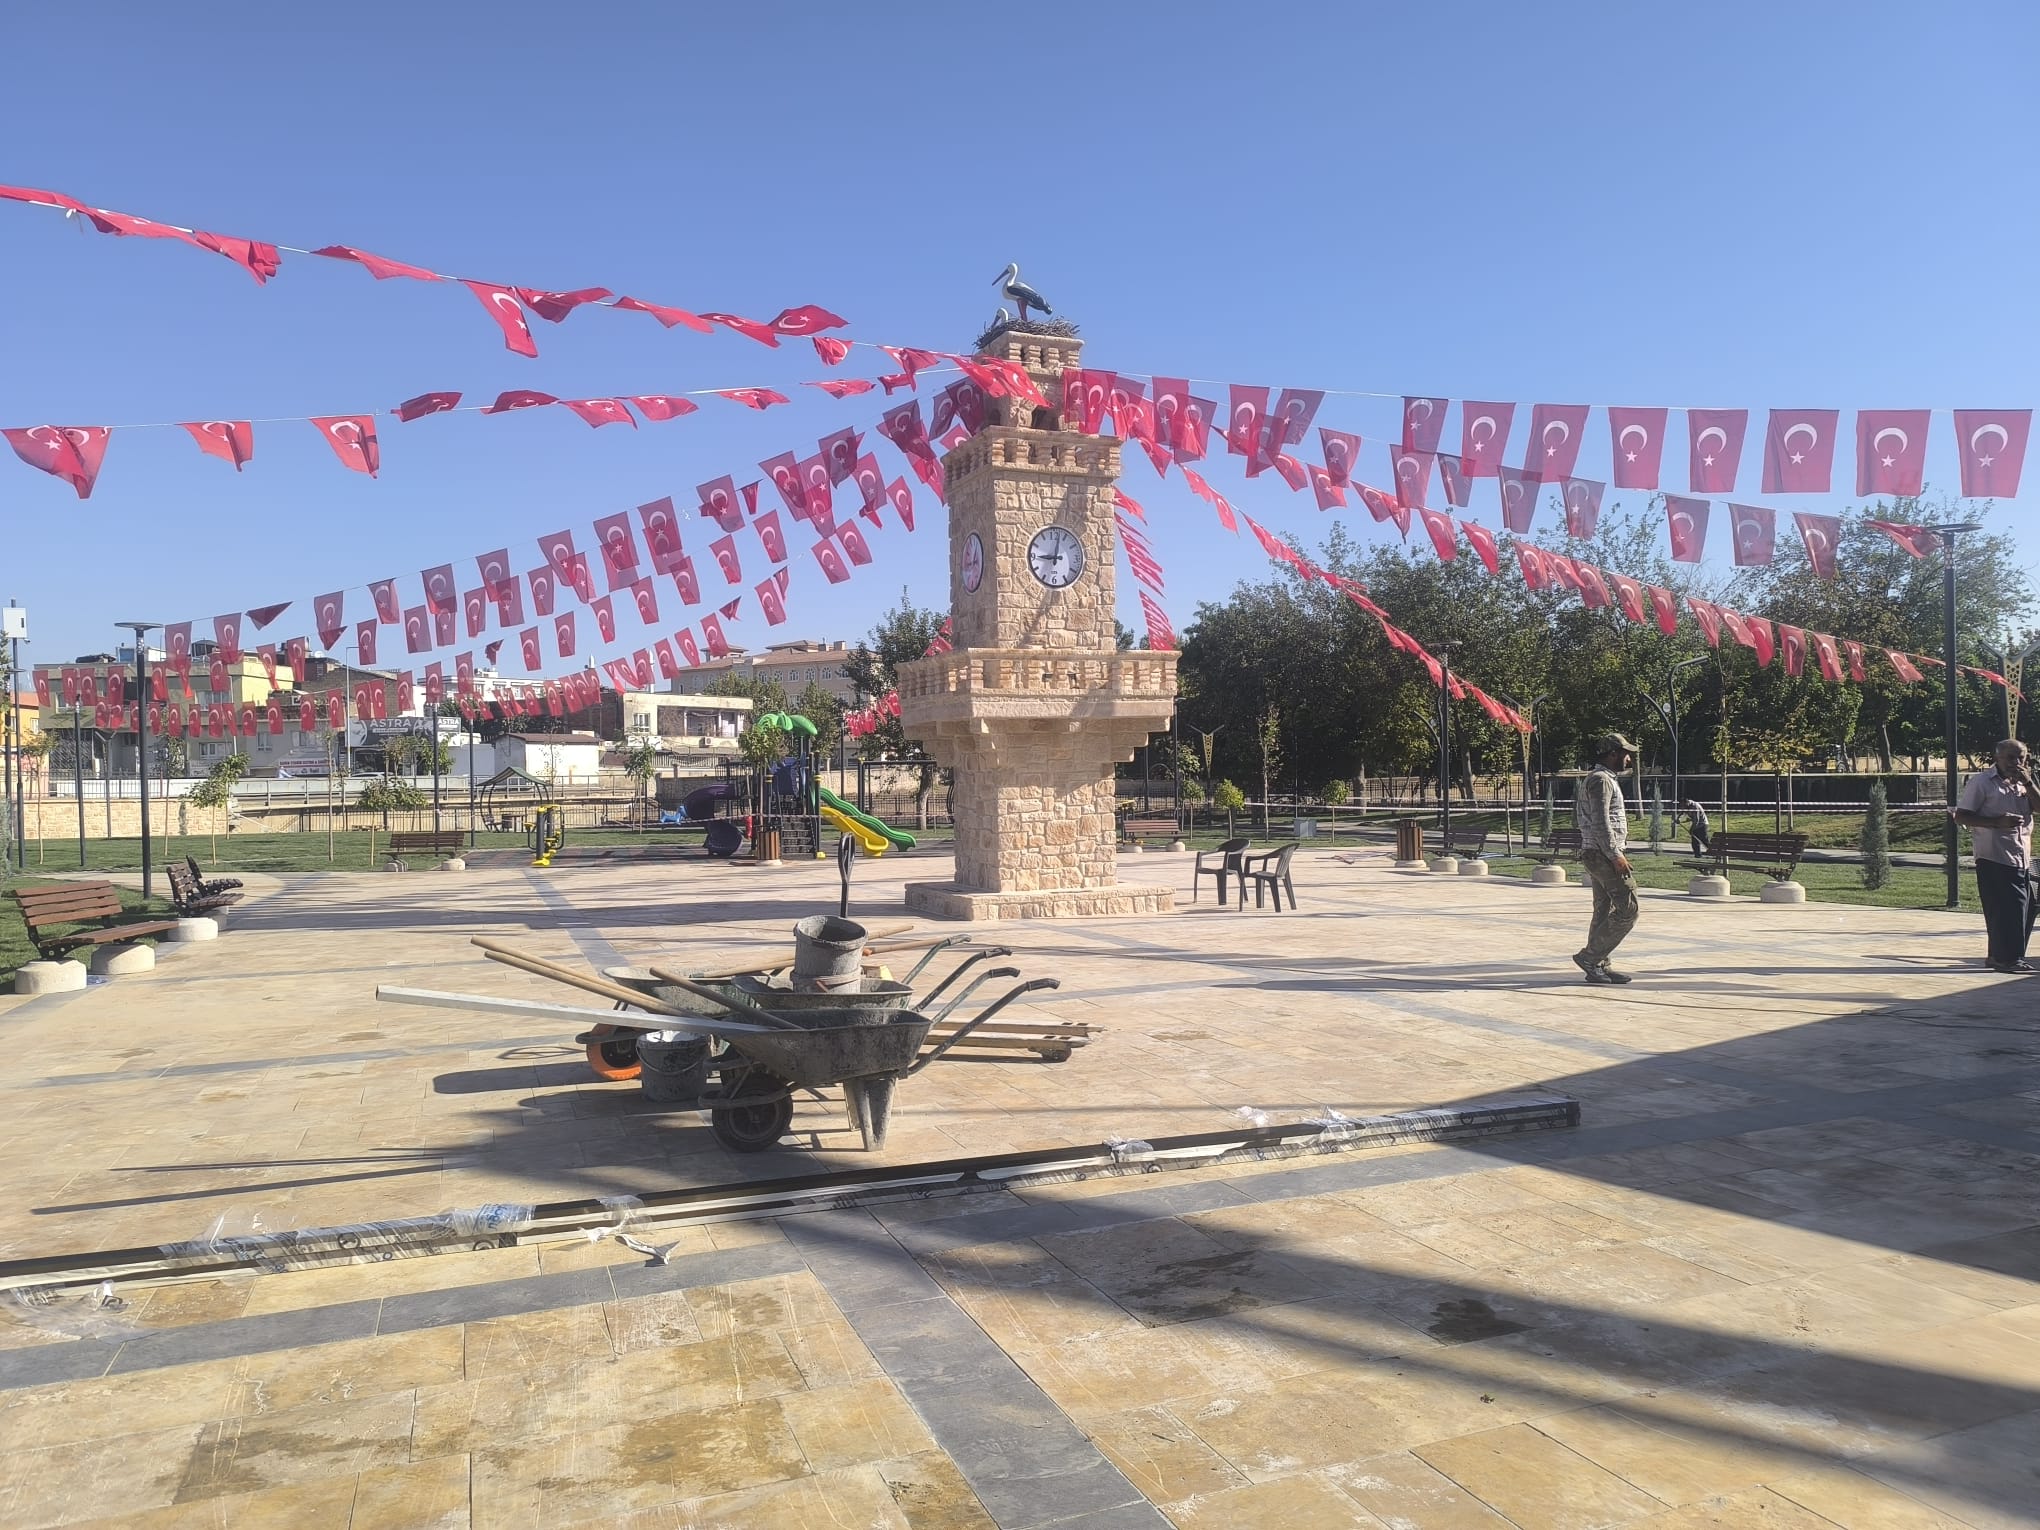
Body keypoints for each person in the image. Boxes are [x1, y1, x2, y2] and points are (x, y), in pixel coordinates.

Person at [1953, 738, 2040, 973]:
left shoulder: (2025, 783)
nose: (2017, 762)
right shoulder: (1982, 783)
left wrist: (2029, 783)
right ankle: (2008, 959)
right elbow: (1961, 816)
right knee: (2008, 907)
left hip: (2020, 855)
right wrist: (1996, 823)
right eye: (2011, 757)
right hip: (1993, 855)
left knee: (2025, 906)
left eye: (2021, 757)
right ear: (1997, 758)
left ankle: (2000, 956)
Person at [1573, 733, 1640, 984]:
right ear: (1612, 754)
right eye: (1626, 754)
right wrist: (1615, 856)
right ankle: (1591, 957)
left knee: (1605, 910)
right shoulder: (1601, 780)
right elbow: (1601, 823)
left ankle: (1599, 964)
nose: (1629, 759)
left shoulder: (1603, 779)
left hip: (1599, 853)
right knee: (1628, 908)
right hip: (1602, 854)